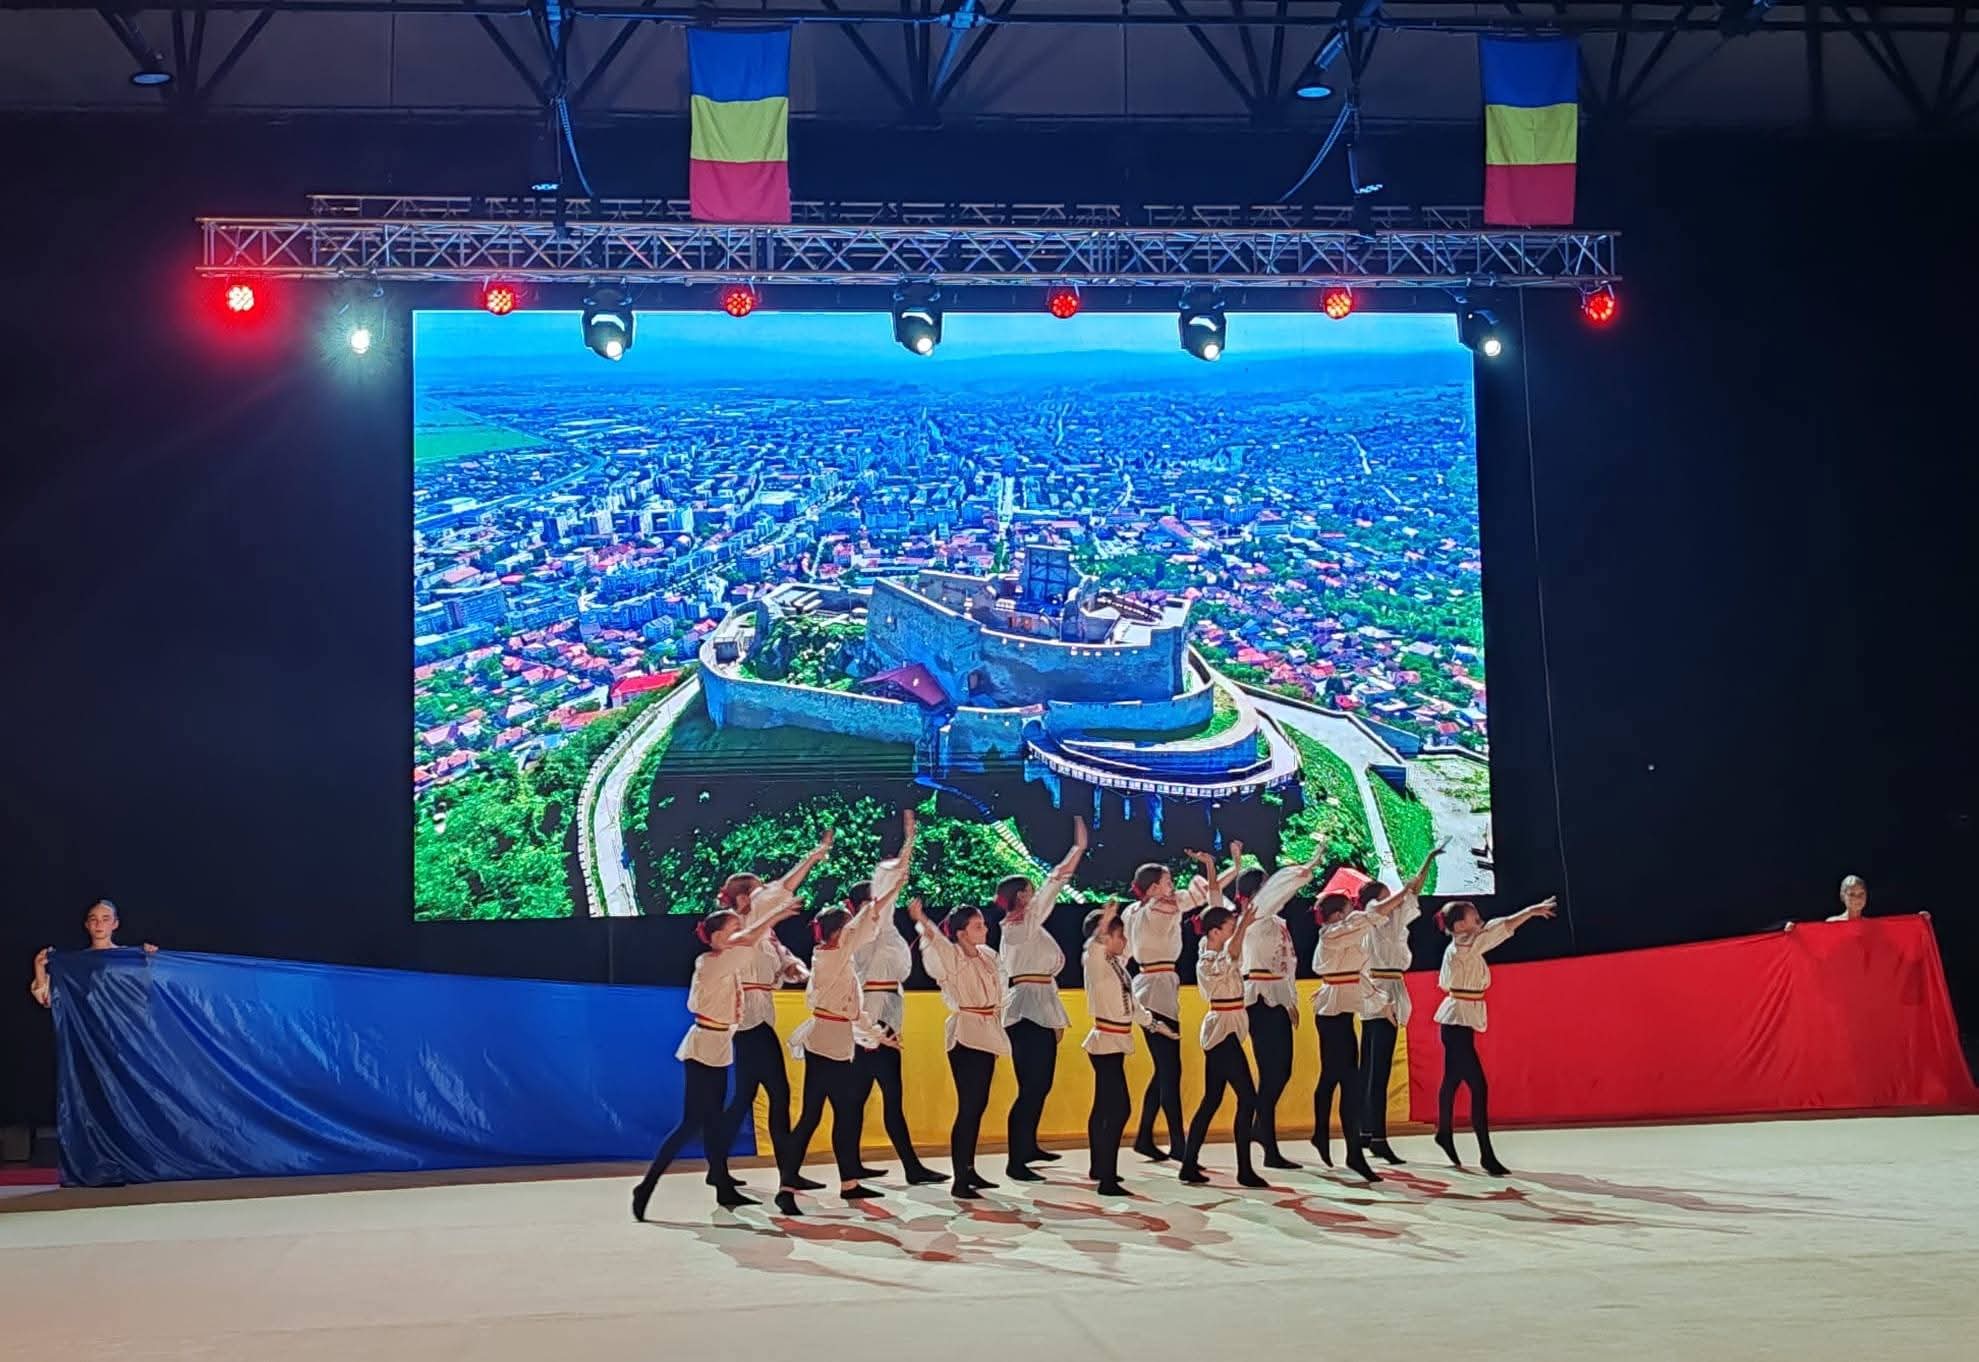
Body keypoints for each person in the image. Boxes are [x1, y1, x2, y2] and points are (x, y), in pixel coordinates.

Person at [632, 897, 799, 1220]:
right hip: (704, 1047)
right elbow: (750, 939)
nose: (740, 932)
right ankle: (647, 1185)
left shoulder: (727, 961)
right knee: (692, 1122)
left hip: (719, 1045)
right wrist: (775, 915)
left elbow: (752, 947)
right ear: (719, 936)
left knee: (712, 1121)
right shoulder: (711, 962)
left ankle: (722, 1185)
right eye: (734, 928)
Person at [775, 839, 903, 1217]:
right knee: (821, 1116)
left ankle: (844, 1183)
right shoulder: (832, 956)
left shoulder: (836, 958)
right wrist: (887, 893)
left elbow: (854, 1012)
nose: (854, 930)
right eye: (847, 926)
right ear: (838, 932)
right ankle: (790, 1186)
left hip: (834, 1042)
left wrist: (879, 1037)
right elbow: (866, 919)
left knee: (834, 1115)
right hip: (827, 1045)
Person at [713, 833, 834, 1195]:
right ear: (743, 899)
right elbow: (785, 887)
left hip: (760, 1017)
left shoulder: (764, 934)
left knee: (746, 1100)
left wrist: (793, 969)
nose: (767, 894)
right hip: (750, 1022)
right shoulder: (742, 927)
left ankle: (728, 1169)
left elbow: (781, 959)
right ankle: (785, 1173)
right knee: (776, 1095)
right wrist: (814, 856)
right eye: (759, 891)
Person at [1124, 843, 1239, 1163]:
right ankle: (1177, 1142)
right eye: (1167, 881)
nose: (1172, 885)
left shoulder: (1132, 911)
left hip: (1149, 986)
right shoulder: (1160, 907)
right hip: (1157, 991)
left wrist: (1221, 868)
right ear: (1153, 888)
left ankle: (1146, 1137)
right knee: (1169, 1070)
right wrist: (1217, 867)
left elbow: (1205, 893)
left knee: (1164, 1069)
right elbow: (1205, 896)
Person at [848, 810, 944, 1186]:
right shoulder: (868, 928)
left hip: (883, 1014)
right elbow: (891, 885)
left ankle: (854, 1165)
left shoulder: (878, 930)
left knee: (861, 1097)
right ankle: (910, 1166)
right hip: (875, 1019)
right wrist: (909, 841)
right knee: (886, 1096)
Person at [1432, 895, 1558, 1176]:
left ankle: (1445, 1132)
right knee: (1477, 1086)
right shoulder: (1465, 947)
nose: (1479, 918)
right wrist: (1530, 911)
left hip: (1458, 1021)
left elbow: (1497, 928)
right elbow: (1502, 927)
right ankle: (1485, 1154)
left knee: (1453, 1080)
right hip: (1456, 1022)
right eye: (1473, 915)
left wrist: (1529, 911)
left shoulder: (1467, 943)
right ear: (1459, 925)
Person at [1309, 867, 1419, 1184]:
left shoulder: (1348, 937)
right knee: (1336, 1078)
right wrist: (1405, 891)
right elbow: (1370, 917)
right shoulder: (1332, 934)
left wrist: (1383, 1004)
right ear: (1336, 915)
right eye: (1347, 910)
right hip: (1330, 1014)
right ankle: (1335, 1141)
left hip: (1343, 1012)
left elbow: (1360, 977)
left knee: (1345, 1081)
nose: (1351, 913)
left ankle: (1346, 1147)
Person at [995, 814, 1088, 1180]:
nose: (1036, 895)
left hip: (1034, 1004)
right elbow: (1055, 881)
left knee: (1037, 1085)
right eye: (1030, 892)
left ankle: (1027, 1146)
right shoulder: (1024, 923)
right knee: (1032, 1086)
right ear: (1021, 896)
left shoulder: (1023, 927)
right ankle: (1016, 1159)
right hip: (1028, 1009)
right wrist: (1077, 849)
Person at [910, 896, 1009, 1199]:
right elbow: (936, 941)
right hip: (966, 1036)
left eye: (984, 924)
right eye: (978, 926)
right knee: (969, 1106)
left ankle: (969, 1168)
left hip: (986, 1031)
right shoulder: (952, 956)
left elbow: (1000, 989)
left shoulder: (987, 955)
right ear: (962, 933)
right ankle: (960, 1178)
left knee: (978, 1106)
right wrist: (921, 919)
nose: (986, 929)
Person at [1081, 899, 1178, 1197]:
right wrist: (1106, 920)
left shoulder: (1116, 966)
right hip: (1105, 1041)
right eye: (1120, 935)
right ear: (1106, 937)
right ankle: (1107, 1178)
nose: (1124, 940)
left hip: (1115, 1041)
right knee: (1118, 1107)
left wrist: (1157, 1025)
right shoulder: (1096, 962)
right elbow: (1094, 945)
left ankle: (1100, 1168)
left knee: (1104, 1106)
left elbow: (1133, 1006)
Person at [1358, 844, 1446, 1165]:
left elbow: (1412, 892)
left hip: (1389, 986)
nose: (1393, 898)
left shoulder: (1392, 919)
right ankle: (1376, 1136)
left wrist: (1427, 860)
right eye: (1385, 893)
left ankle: (1367, 1131)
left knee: (1372, 1066)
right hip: (1379, 991)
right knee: (1375, 1068)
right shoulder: (1370, 916)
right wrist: (1403, 889)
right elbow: (1396, 898)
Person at [1179, 889, 1267, 1188]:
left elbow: (1231, 951)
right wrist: (1243, 926)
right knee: (1248, 1097)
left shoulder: (1214, 949)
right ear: (1215, 932)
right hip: (1222, 1033)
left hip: (1227, 1029)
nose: (1234, 932)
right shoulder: (1207, 960)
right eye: (1229, 928)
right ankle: (1244, 1169)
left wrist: (1240, 922)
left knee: (1212, 1099)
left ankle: (1188, 1164)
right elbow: (1230, 955)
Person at [1235, 854, 1307, 1171]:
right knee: (1271, 1071)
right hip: (1259, 998)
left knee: (1282, 1070)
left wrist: (1290, 1000)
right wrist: (1300, 872)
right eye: (1265, 885)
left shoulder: (1277, 922)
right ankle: (1267, 1139)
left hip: (1277, 995)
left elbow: (1288, 964)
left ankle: (1260, 1127)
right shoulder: (1254, 917)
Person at [29, 899, 157, 1008]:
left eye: (105, 919)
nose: (99, 924)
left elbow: (150, 991)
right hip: (89, 1027)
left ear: (115, 924)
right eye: (93, 919)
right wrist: (39, 966)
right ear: (87, 925)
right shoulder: (77, 963)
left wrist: (152, 959)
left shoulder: (129, 958)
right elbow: (48, 1000)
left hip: (124, 1025)